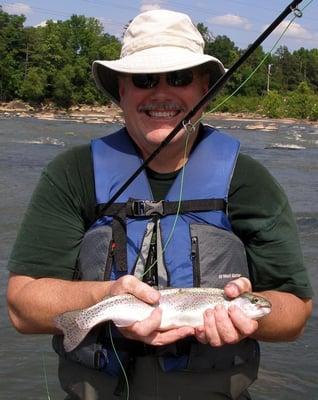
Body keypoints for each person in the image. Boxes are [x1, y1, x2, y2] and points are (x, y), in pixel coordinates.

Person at [7, 9, 313, 400]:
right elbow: (21, 305)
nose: (162, 93)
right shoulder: (73, 173)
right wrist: (107, 297)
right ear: (121, 90)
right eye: (144, 79)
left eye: (181, 78)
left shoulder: (249, 180)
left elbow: (295, 313)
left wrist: (248, 320)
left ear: (205, 87)